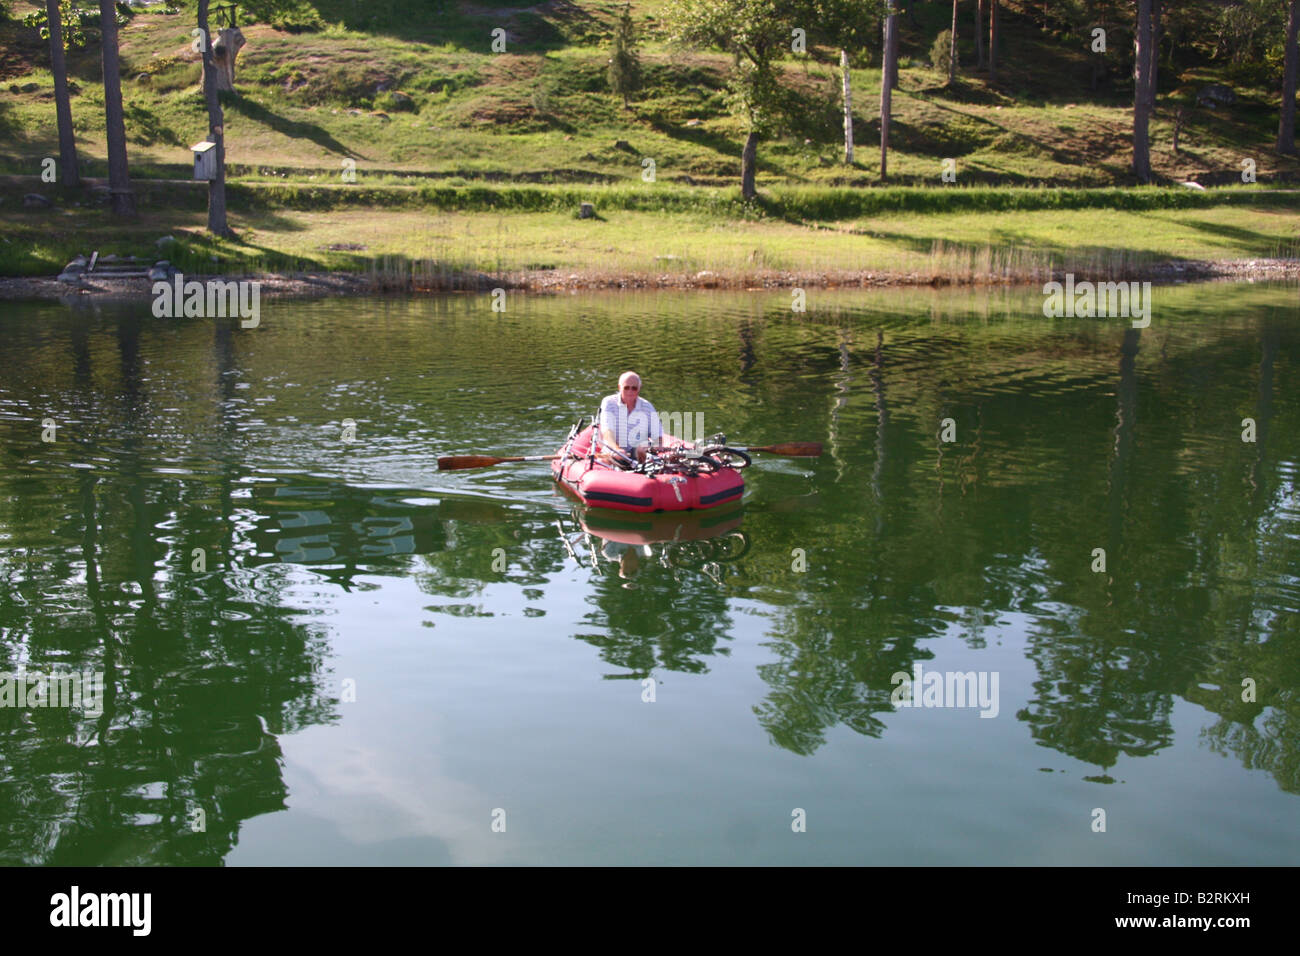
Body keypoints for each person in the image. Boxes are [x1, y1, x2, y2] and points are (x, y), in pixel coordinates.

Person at [599, 371, 666, 467]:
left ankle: (642, 473)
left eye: (634, 388)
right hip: (613, 450)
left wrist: (653, 446)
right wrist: (617, 449)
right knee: (604, 461)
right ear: (619, 387)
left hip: (636, 452)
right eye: (626, 388)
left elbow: (658, 435)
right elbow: (607, 431)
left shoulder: (647, 407)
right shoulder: (608, 402)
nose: (630, 392)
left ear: (639, 389)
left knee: (642, 447)